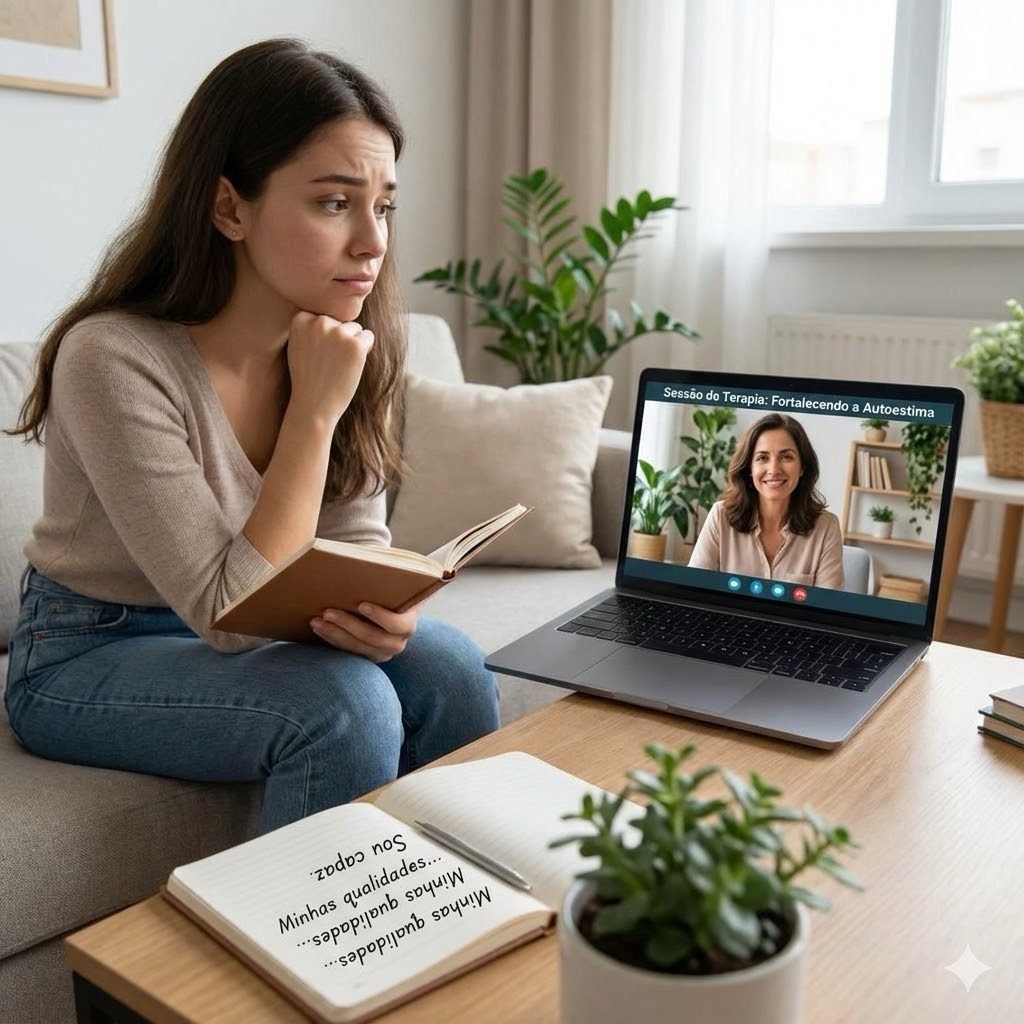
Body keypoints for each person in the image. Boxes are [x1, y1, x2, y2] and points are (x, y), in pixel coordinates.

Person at [3, 39, 499, 835]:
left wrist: (384, 612)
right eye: (335, 203)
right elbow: (229, 615)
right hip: (86, 653)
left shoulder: (347, 338)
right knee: (343, 706)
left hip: (258, 622)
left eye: (385, 205)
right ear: (230, 207)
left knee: (451, 667)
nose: (373, 242)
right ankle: (317, 945)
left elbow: (351, 553)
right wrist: (313, 412)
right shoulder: (113, 356)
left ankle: (456, 911)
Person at [688, 413, 845, 589]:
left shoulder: (826, 527)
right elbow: (693, 590)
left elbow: (826, 609)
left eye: (786, 457)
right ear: (749, 468)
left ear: (802, 467)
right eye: (762, 458)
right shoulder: (720, 516)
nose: (774, 469)